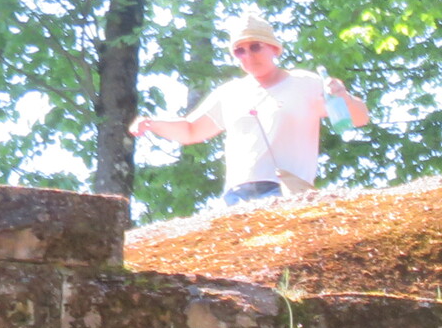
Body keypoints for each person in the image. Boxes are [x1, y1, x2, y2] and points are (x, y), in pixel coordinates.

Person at [131, 11, 368, 208]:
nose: (248, 55)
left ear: (274, 49)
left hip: (287, 190)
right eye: (239, 50)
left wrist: (343, 96)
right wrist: (151, 123)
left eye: (255, 46)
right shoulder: (229, 92)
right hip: (236, 196)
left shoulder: (304, 83)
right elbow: (191, 130)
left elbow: (359, 118)